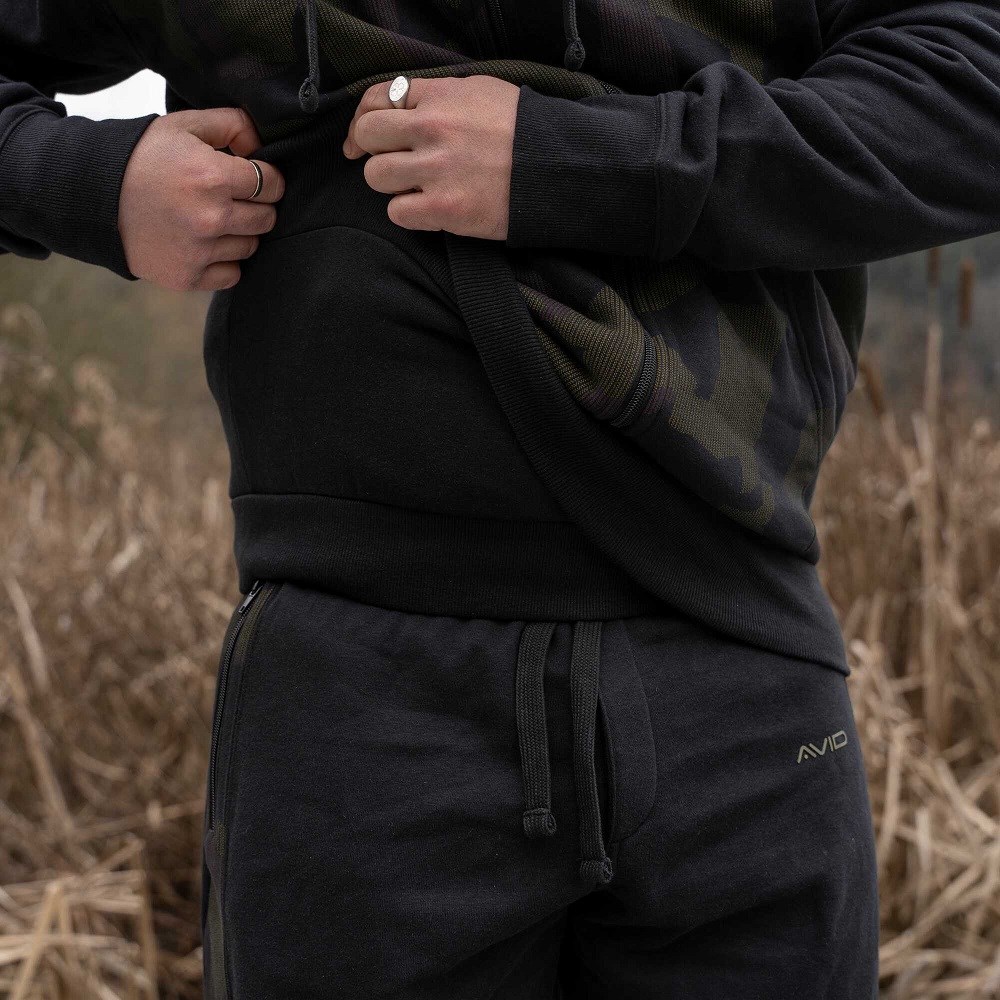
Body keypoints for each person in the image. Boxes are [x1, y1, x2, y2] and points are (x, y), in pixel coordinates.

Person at [3, 1, 999, 996]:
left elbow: (974, 84)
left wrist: (586, 159)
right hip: (356, 697)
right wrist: (89, 184)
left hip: (737, 657)